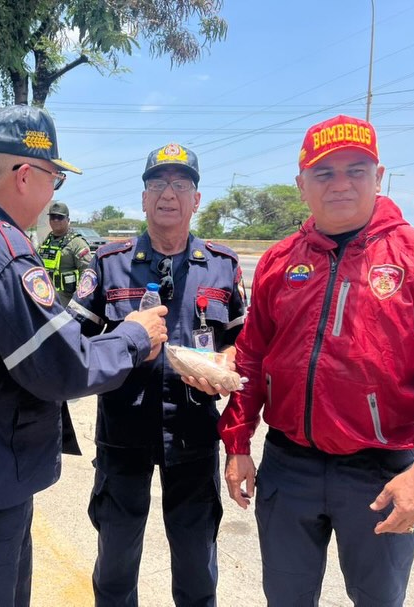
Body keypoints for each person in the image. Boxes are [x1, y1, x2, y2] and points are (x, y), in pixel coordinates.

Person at [0, 104, 168, 607]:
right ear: (25, 175)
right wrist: (134, 335)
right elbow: (63, 370)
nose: (54, 195)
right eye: (55, 180)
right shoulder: (3, 252)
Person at [217, 114, 414, 606]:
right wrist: (237, 442)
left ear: (378, 177)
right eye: (324, 173)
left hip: (381, 472)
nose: (340, 184)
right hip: (289, 467)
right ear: (301, 184)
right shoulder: (278, 260)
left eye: (356, 170)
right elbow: (251, 357)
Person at [69, 142, 247, 607]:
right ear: (144, 198)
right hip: (122, 432)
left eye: (181, 184)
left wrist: (228, 360)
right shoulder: (109, 262)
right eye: (157, 184)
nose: (168, 193)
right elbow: (71, 342)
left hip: (193, 434)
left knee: (196, 566)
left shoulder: (223, 266)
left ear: (196, 199)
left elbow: (242, 340)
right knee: (115, 564)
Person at [37, 201, 92, 306]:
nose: (56, 220)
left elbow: (87, 272)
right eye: (52, 217)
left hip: (67, 301)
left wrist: (79, 300)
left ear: (68, 220)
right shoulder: (46, 241)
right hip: (46, 298)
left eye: (60, 217)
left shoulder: (77, 243)